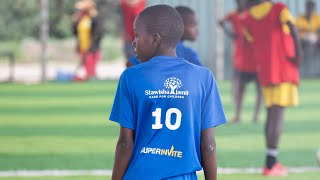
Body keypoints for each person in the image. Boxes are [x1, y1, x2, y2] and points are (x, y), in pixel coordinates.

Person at [109, 4, 226, 180]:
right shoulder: (204, 77)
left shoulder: (130, 77)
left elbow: (125, 143)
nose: (133, 41)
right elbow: (208, 145)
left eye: (137, 35)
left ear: (155, 39)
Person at [243, 0, 302, 176]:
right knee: (277, 115)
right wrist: (299, 54)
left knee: (271, 114)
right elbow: (293, 28)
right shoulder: (279, 9)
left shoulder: (248, 18)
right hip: (283, 68)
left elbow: (250, 41)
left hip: (266, 71)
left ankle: (271, 161)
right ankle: (270, 165)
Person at [219, 0, 262, 124]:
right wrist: (231, 34)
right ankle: (238, 115)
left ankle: (256, 116)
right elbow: (221, 22)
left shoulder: (252, 15)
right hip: (242, 58)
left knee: (259, 89)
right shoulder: (234, 15)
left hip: (256, 58)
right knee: (241, 89)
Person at [72, 0, 103, 81]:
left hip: (92, 48)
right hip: (82, 46)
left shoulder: (94, 19)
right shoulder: (81, 18)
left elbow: (98, 33)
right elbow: (75, 32)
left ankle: (92, 80)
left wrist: (92, 46)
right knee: (86, 68)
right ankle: (89, 78)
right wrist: (75, 22)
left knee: (91, 69)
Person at [296, 0, 320, 77]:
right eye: (308, 7)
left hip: (315, 40)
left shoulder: (317, 18)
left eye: (311, 7)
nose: (309, 9)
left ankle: (315, 70)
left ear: (313, 9)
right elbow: (296, 30)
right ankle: (308, 71)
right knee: (308, 45)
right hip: (303, 40)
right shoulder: (300, 17)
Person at [119, 0, 146, 67]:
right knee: (130, 61)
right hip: (128, 37)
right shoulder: (124, 4)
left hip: (141, 36)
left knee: (142, 60)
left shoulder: (143, 3)